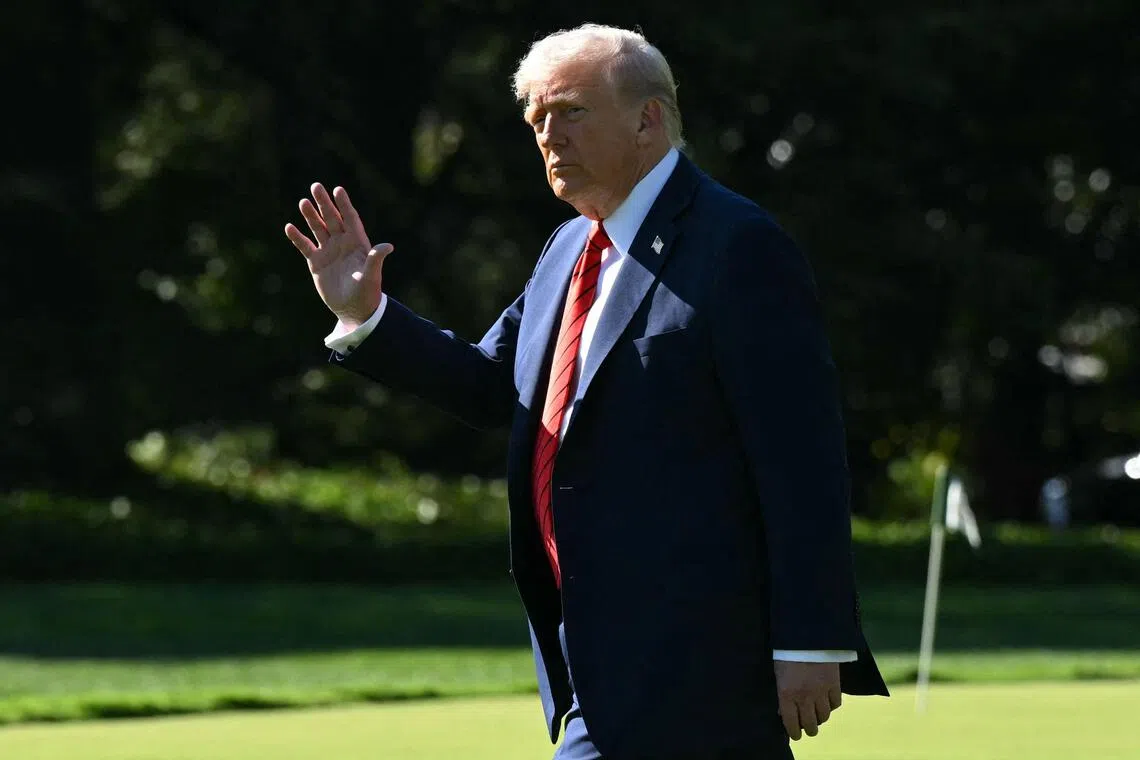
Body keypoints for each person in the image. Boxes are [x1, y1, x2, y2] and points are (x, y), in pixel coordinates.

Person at [285, 23, 886, 760]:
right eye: (536, 118)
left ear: (648, 119)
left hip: (701, 656)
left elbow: (802, 457)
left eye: (571, 111)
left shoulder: (738, 245)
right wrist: (364, 315)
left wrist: (809, 636)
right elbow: (491, 389)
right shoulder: (570, 246)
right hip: (590, 654)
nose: (548, 135)